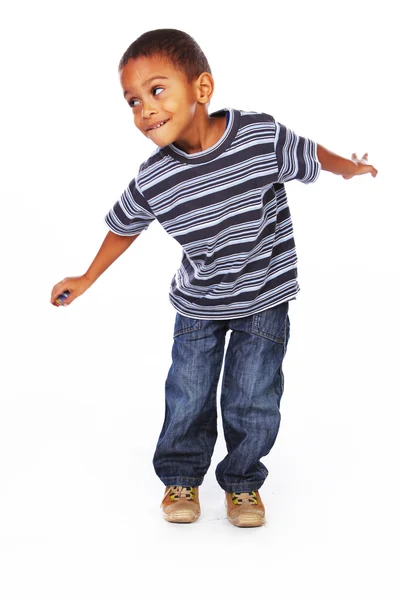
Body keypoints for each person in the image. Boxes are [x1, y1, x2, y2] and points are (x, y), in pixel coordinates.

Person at [50, 28, 378, 528]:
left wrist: (347, 170)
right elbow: (124, 227)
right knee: (188, 393)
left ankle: (243, 485)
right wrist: (88, 276)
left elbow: (312, 154)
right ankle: (181, 477)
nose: (144, 110)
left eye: (156, 91)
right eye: (132, 101)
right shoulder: (154, 177)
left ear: (202, 89)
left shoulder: (259, 137)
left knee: (254, 394)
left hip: (264, 295)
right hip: (198, 303)